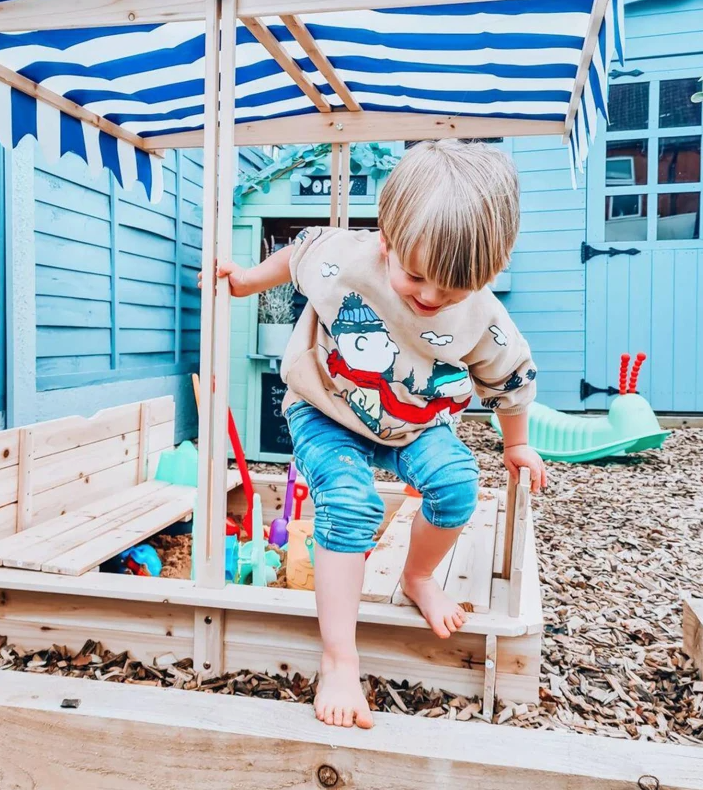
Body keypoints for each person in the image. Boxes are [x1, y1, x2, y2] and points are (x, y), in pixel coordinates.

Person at [210, 140, 546, 729]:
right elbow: (295, 254)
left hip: (414, 421)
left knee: (457, 485)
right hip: (324, 408)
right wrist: (245, 283)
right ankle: (339, 657)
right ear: (385, 240)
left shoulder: (484, 317)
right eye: (416, 277)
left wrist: (515, 442)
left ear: (488, 275)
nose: (430, 298)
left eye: (453, 290)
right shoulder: (344, 258)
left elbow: (510, 377)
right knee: (348, 501)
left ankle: (418, 577)